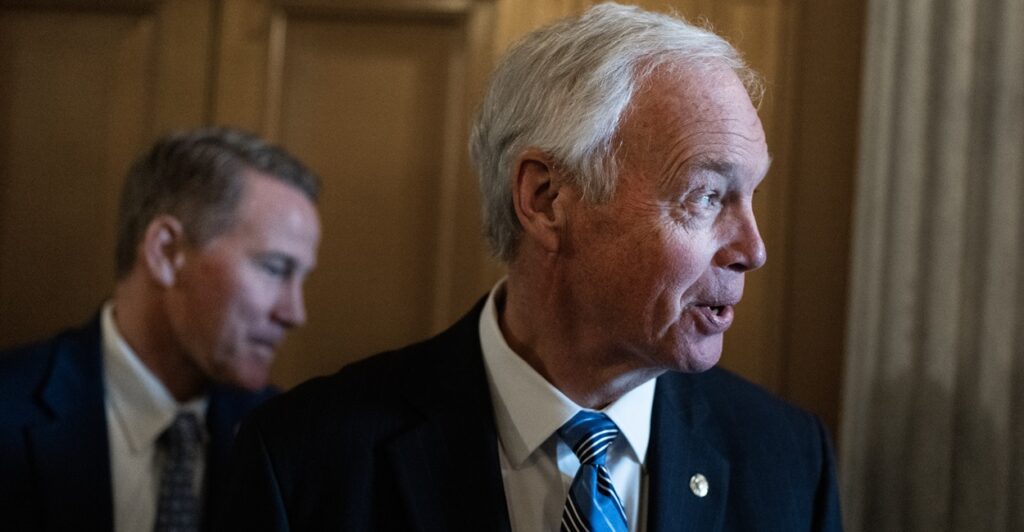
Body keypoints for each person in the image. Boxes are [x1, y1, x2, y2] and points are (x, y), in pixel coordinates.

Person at [218, 3, 841, 531]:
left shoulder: (788, 461)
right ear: (546, 199)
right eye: (706, 196)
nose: (753, 249)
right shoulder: (304, 461)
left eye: (750, 195)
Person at [0, 127, 322, 532]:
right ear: (166, 252)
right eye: (275, 269)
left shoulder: (286, 436)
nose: (295, 313)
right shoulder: (8, 410)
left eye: (302, 278)